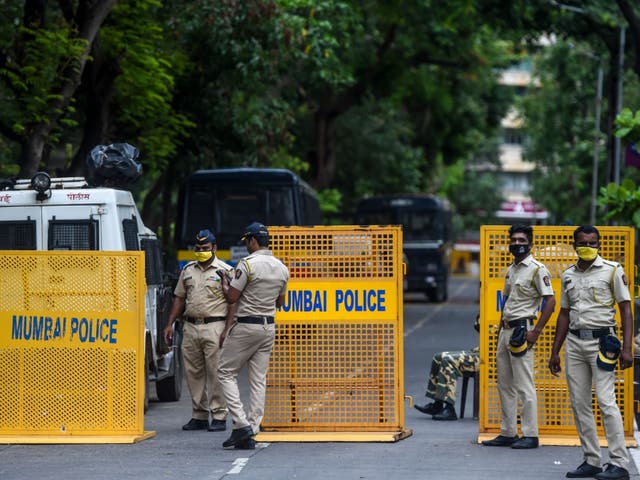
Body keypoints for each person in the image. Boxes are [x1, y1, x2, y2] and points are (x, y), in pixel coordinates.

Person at [549, 225, 632, 480]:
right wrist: (555, 351)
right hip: (574, 343)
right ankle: (592, 460)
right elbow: (563, 313)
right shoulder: (568, 275)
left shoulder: (612, 271)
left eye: (593, 242)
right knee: (579, 403)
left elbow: (626, 310)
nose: (588, 246)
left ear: (599, 244)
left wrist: (627, 348)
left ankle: (619, 463)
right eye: (583, 242)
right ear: (575, 244)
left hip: (603, 343)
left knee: (606, 402)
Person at [217, 222, 289, 450]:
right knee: (258, 379)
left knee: (225, 372)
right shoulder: (281, 267)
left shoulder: (247, 265)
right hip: (268, 328)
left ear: (253, 241)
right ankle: (253, 428)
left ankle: (241, 425)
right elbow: (280, 302)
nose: (247, 246)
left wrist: (224, 283)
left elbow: (231, 298)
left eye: (247, 242)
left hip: (246, 326)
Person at [482, 224, 555, 450]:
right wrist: (499, 333)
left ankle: (531, 435)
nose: (517, 244)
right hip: (506, 331)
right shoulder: (511, 269)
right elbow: (507, 302)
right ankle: (508, 432)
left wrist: (536, 332)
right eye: (513, 240)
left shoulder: (537, 269)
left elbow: (550, 301)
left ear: (531, 244)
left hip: (523, 331)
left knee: (524, 385)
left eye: (521, 240)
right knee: (504, 384)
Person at [163, 229, 234, 432]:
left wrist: (228, 329)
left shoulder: (224, 271)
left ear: (214, 248)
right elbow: (179, 298)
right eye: (198, 248)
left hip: (215, 326)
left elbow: (232, 302)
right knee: (193, 372)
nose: (201, 251)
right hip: (191, 326)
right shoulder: (188, 270)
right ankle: (199, 415)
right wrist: (169, 323)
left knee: (216, 372)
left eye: (205, 248)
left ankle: (219, 415)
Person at [414, 315, 480, 421]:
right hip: (479, 351)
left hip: (489, 357)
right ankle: (437, 404)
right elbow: (478, 326)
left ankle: (449, 408)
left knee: (448, 360)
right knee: (438, 357)